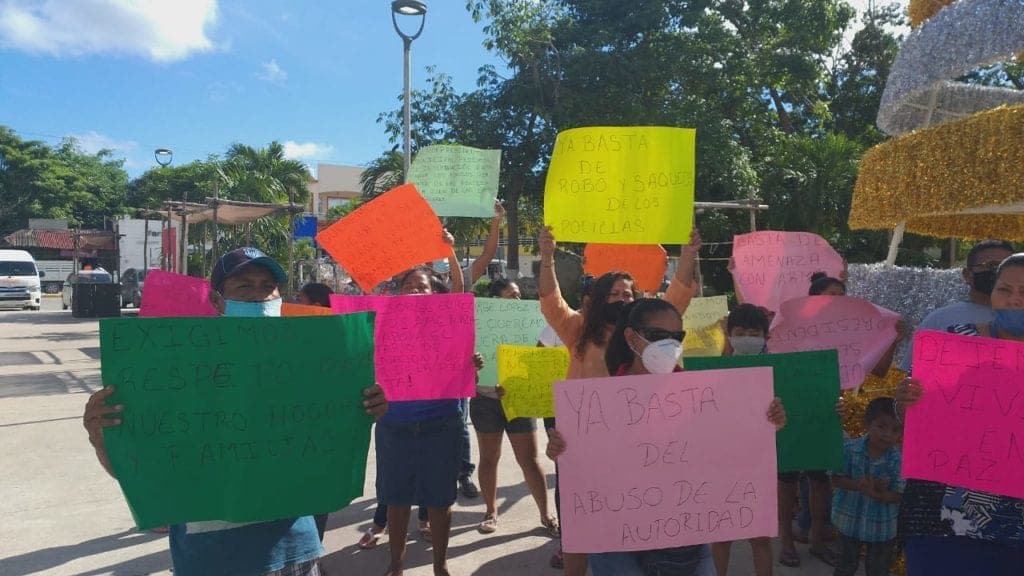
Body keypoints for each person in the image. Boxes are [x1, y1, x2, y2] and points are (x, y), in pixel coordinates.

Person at [82, 247, 389, 576]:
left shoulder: (311, 366)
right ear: (217, 301)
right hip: (210, 557)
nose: (258, 296)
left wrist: (366, 408)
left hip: (295, 547)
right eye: (244, 287)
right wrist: (100, 438)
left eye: (267, 286)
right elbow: (140, 472)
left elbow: (333, 447)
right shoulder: (177, 373)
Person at [547, 298, 787, 576]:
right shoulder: (597, 407)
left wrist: (765, 424)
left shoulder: (705, 397)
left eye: (676, 337)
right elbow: (583, 493)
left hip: (686, 543)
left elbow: (730, 450)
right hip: (618, 546)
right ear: (631, 338)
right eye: (658, 336)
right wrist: (563, 448)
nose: (669, 344)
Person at [538, 226, 702, 575]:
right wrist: (548, 257)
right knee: (583, 515)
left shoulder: (648, 336)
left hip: (643, 439)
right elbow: (551, 302)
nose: (623, 300)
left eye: (628, 294)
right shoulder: (580, 330)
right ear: (600, 299)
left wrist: (687, 255)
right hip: (587, 440)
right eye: (614, 294)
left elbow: (676, 299)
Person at [895, 253, 1024, 576]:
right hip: (940, 515)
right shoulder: (954, 342)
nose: (1014, 301)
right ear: (991, 293)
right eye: (1005, 289)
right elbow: (912, 417)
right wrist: (905, 400)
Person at [373, 261, 484, 576]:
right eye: (408, 287)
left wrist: (471, 362)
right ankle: (396, 565)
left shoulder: (450, 324)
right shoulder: (386, 323)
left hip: (441, 423)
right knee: (396, 498)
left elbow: (460, 293)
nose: (414, 291)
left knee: (439, 498)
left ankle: (439, 564)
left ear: (436, 293)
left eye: (421, 286)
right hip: (394, 423)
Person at [469, 277, 559, 536]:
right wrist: (477, 370)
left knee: (529, 460)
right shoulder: (478, 326)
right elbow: (465, 372)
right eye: (512, 296)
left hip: (520, 400)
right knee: (489, 458)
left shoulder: (531, 325)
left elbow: (538, 362)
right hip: (485, 400)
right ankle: (490, 511)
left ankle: (546, 514)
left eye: (519, 295)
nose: (518, 301)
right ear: (495, 301)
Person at [711, 303, 774, 576]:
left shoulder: (781, 370)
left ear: (765, 336)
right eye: (740, 331)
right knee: (721, 534)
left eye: (754, 332)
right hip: (720, 464)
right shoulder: (712, 372)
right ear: (730, 334)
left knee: (760, 535)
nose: (747, 337)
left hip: (761, 463)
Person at [898, 240, 1014, 372]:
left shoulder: (1019, 320)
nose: (999, 273)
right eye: (992, 265)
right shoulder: (939, 320)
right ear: (967, 275)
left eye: (1006, 267)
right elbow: (913, 377)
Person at [830, 397, 903, 576]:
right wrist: (857, 485)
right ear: (868, 424)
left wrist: (878, 494)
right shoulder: (850, 450)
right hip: (849, 523)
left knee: (878, 570)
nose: (887, 434)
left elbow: (900, 495)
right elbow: (835, 478)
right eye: (881, 426)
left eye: (895, 430)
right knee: (844, 568)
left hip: (882, 529)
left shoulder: (898, 461)